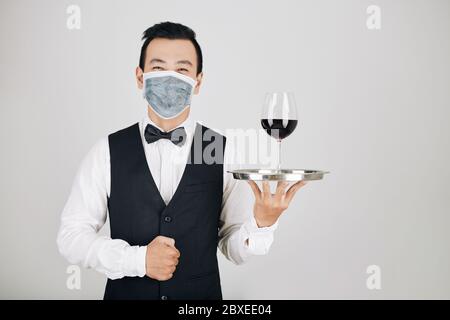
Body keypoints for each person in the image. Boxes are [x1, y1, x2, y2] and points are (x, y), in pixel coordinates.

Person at [57, 21, 307, 300]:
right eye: (158, 67)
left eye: (182, 69)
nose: (170, 78)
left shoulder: (220, 149)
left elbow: (233, 247)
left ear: (198, 81)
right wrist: (135, 260)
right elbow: (70, 237)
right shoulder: (106, 150)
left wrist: (262, 224)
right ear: (140, 77)